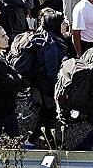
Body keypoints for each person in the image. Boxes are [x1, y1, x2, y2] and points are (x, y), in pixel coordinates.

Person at [23, 9, 68, 149]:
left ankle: (48, 139)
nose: (65, 24)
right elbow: (51, 72)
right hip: (47, 88)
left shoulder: (46, 36)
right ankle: (30, 141)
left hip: (40, 85)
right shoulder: (51, 45)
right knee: (47, 115)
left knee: (47, 114)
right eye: (62, 23)